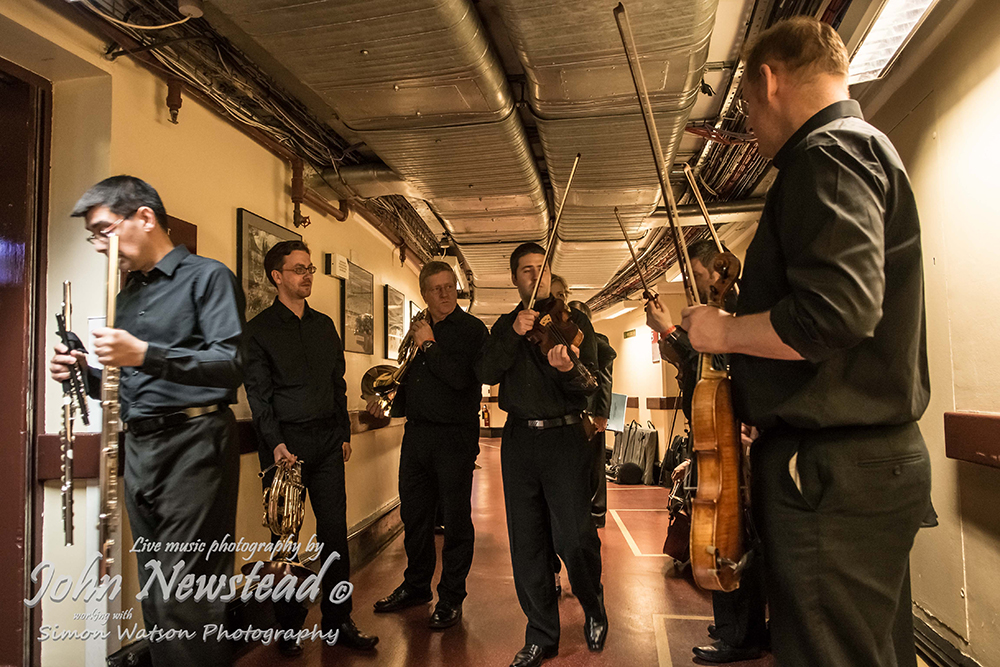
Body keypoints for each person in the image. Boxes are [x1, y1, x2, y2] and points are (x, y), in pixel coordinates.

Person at [679, 17, 932, 666]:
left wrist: (722, 329)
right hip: (860, 467)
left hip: (830, 473)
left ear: (769, 81)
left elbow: (835, 314)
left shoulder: (826, 153)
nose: (749, 124)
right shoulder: (864, 148)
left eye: (745, 106)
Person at [49, 175, 244, 666]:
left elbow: (230, 364)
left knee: (187, 596)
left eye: (104, 230)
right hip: (139, 448)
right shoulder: (127, 296)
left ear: (145, 217)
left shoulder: (208, 277)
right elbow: (131, 385)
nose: (100, 245)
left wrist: (144, 353)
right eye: (93, 236)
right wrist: (85, 373)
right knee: (156, 594)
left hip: (195, 443)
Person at [243, 240, 378, 656]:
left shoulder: (324, 326)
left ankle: (339, 621)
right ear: (276, 276)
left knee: (334, 534)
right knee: (285, 540)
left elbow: (337, 384)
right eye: (298, 269)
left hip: (327, 444)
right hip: (285, 448)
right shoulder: (259, 331)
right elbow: (259, 396)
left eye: (310, 269)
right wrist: (276, 443)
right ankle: (288, 627)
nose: (307, 275)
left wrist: (344, 433)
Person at [477, 242, 606, 667]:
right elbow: (486, 372)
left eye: (541, 268)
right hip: (519, 440)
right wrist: (514, 334)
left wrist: (569, 369)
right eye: (526, 270)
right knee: (527, 541)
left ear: (550, 274)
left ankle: (593, 605)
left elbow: (590, 384)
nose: (535, 276)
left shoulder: (576, 322)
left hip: (563, 438)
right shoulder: (505, 325)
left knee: (575, 537)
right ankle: (541, 634)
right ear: (515, 278)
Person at [646, 239, 768, 664]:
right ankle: (733, 623)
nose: (697, 283)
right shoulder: (718, 310)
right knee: (726, 532)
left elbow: (718, 367)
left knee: (734, 535)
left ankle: (741, 634)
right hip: (713, 436)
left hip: (734, 441)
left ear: (718, 272)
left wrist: (669, 331)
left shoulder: (733, 314)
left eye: (698, 275)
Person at [369, 261, 488, 629]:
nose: (445, 293)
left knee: (455, 521)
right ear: (424, 294)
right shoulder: (420, 326)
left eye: (449, 286)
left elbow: (460, 379)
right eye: (436, 288)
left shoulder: (472, 330)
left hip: (454, 437)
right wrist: (388, 400)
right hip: (417, 435)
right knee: (415, 516)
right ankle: (417, 586)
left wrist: (429, 344)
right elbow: (411, 376)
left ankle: (451, 597)